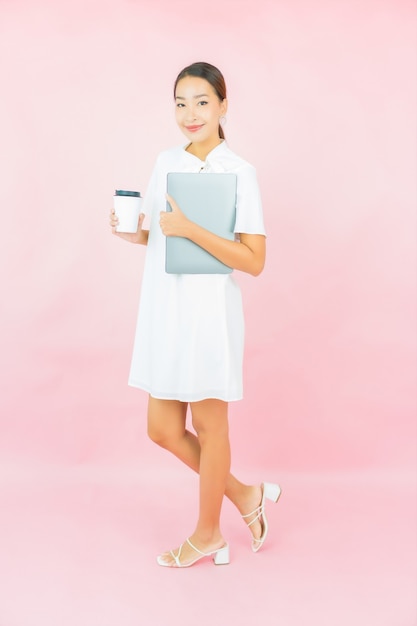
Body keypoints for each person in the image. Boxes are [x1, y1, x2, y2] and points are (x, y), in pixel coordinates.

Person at [109, 62, 281, 568]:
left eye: (202, 102)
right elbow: (161, 234)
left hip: (209, 313)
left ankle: (209, 534)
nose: (190, 113)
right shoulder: (165, 162)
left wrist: (189, 228)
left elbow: (254, 260)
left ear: (223, 106)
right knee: (161, 428)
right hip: (165, 308)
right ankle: (247, 496)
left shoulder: (240, 173)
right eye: (181, 103)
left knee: (211, 428)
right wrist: (133, 233)